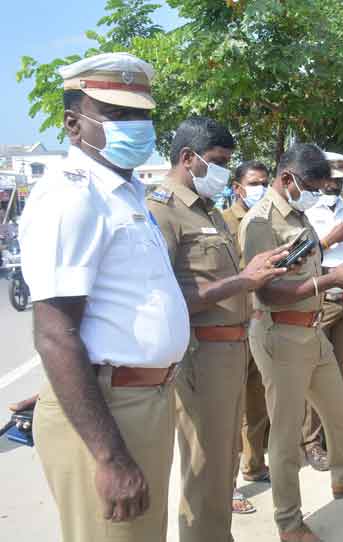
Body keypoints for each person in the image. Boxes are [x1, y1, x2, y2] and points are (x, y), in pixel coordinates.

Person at [19, 52, 191, 542]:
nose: (137, 126)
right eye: (118, 115)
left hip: (146, 399)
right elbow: (55, 333)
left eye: (141, 115)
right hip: (111, 411)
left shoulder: (126, 191)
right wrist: (110, 456)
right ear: (74, 125)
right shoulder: (71, 197)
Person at [239, 142, 343, 542]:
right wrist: (330, 279)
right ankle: (288, 523)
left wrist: (335, 272)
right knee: (287, 434)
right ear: (288, 178)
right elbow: (267, 293)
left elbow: (301, 265)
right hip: (281, 334)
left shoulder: (299, 212)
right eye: (313, 184)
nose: (318, 192)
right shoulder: (261, 222)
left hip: (310, 329)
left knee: (338, 408)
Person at [146, 117, 288, 542]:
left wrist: (255, 274)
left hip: (230, 350)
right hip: (200, 355)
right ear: (188, 158)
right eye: (218, 162)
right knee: (204, 468)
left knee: (223, 465)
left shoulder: (206, 208)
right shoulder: (160, 210)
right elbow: (163, 302)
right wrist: (243, 281)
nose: (225, 171)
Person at [302, 151, 343, 455]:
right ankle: (312, 441)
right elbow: (297, 259)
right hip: (319, 299)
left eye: (339, 179)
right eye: (330, 177)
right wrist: (328, 240)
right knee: (313, 373)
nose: (334, 184)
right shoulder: (304, 210)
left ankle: (337, 438)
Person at [221, 160, 272, 515]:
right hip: (235, 324)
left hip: (264, 323)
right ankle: (228, 486)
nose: (261, 188)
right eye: (255, 183)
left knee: (257, 402)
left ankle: (254, 465)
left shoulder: (266, 220)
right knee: (230, 408)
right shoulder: (223, 222)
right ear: (238, 188)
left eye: (265, 182)